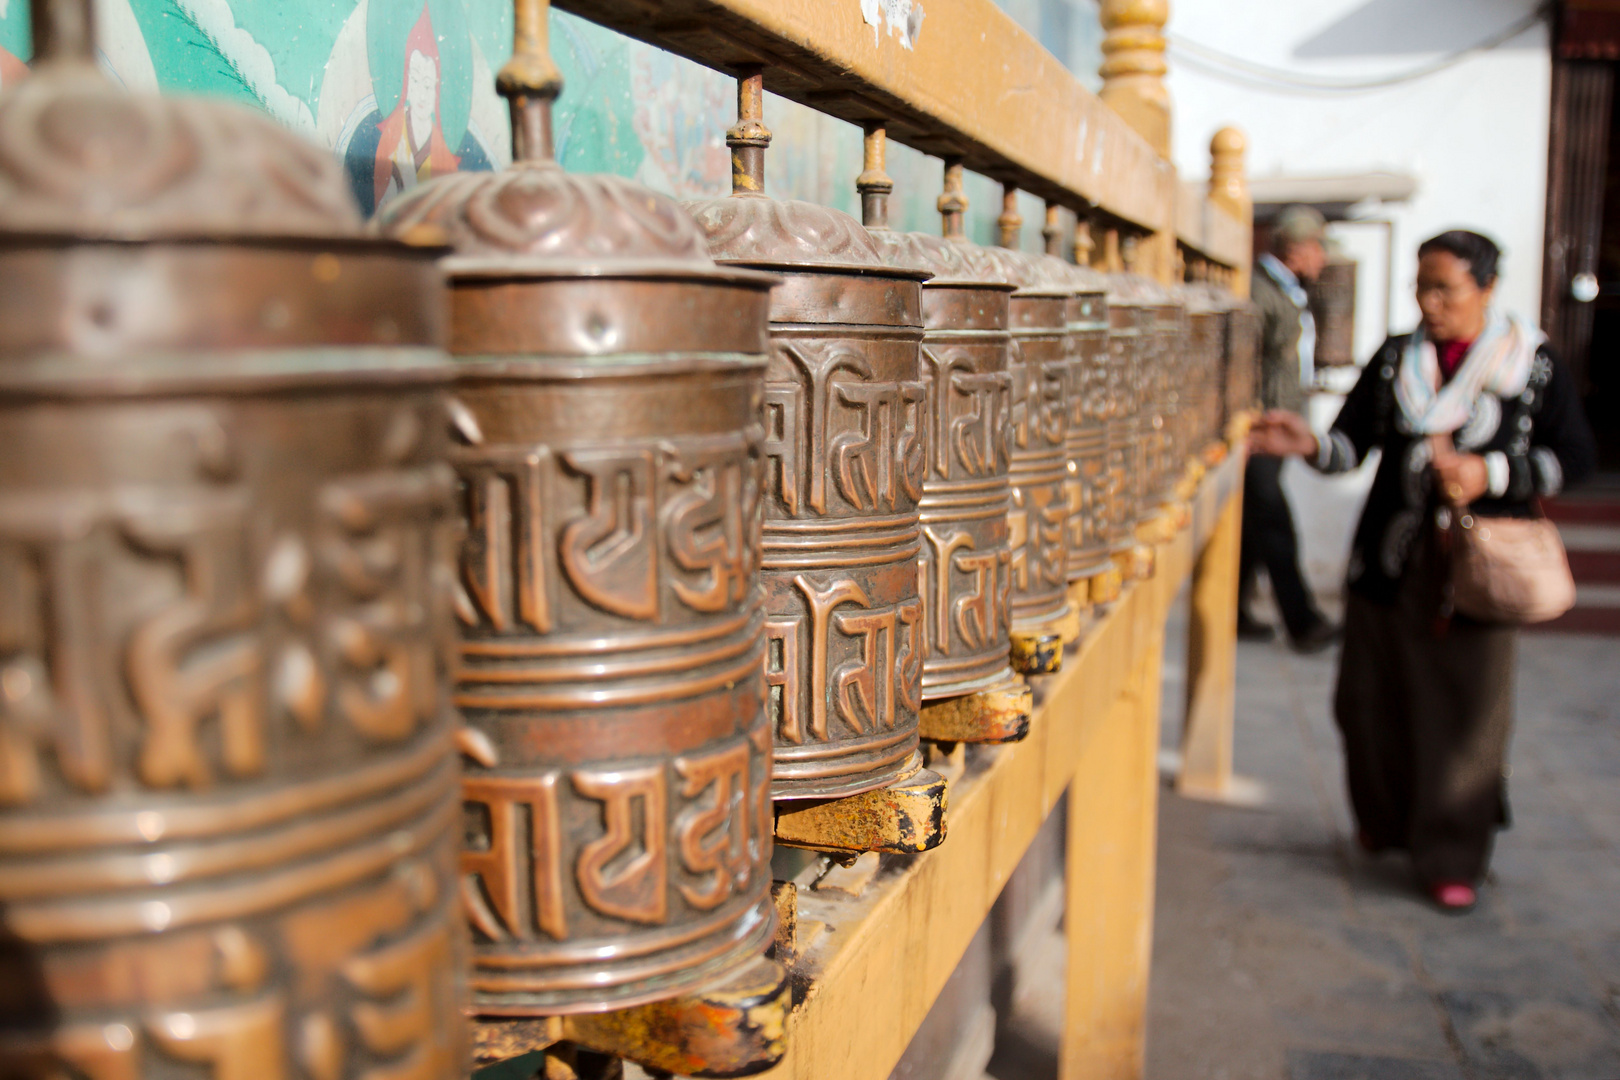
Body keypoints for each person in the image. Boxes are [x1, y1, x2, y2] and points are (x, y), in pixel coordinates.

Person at [1249, 230, 1596, 911]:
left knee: (1464, 721)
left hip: (1473, 577)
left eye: (1445, 289)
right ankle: (1385, 823)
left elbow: (1575, 457)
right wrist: (1309, 443)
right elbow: (1352, 445)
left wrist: (1491, 470)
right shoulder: (1397, 360)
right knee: (1367, 704)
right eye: (1421, 288)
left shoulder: (1532, 364)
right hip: (1388, 563)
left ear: (1487, 289)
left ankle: (1450, 854)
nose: (1429, 303)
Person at [1242, 205, 1337, 651]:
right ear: (1298, 249)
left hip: (1277, 427)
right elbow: (1243, 361)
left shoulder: (1289, 290)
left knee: (1253, 524)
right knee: (1274, 523)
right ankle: (1304, 623)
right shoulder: (1261, 292)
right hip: (1261, 428)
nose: (1322, 260)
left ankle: (1237, 612)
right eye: (1318, 249)